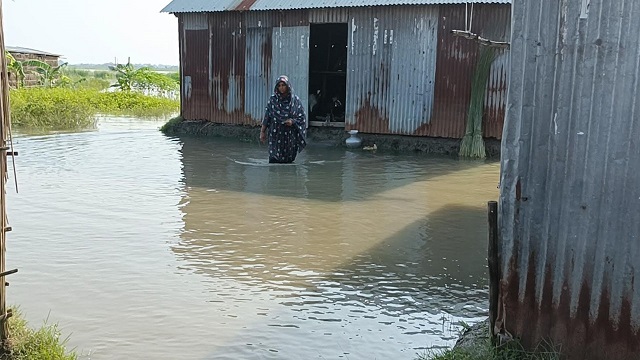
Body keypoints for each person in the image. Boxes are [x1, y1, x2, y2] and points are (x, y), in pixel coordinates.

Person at [260, 75, 307, 163]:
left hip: (289, 135)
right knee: (273, 159)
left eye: (283, 85)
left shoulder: (295, 101)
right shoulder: (273, 100)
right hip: (275, 134)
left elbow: (302, 118)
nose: (281, 88)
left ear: (288, 86)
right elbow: (267, 117)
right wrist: (262, 132)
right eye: (279, 85)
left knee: (288, 161)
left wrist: (292, 121)